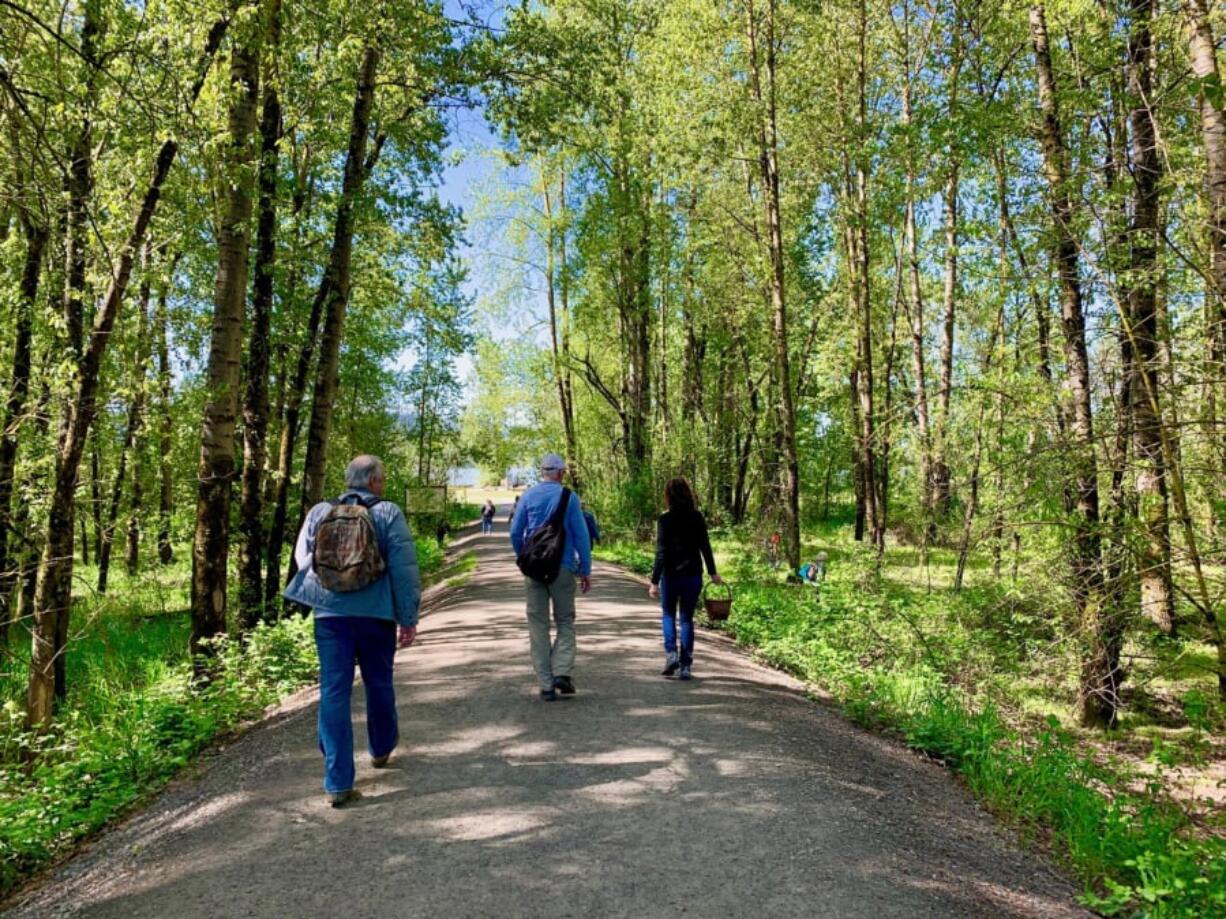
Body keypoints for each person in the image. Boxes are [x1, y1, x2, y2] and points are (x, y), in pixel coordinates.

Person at [283, 455, 421, 807]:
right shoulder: (388, 513)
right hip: (376, 616)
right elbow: (404, 570)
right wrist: (408, 617)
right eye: (383, 478)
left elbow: (304, 559)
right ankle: (381, 747)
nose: (384, 484)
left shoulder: (319, 512)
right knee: (378, 683)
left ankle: (338, 780)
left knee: (333, 692)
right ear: (373, 481)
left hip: (330, 617)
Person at [510, 452, 592, 701]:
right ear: (559, 473)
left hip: (534, 570)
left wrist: (525, 558)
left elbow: (515, 532)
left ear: (542, 472)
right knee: (565, 621)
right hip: (563, 567)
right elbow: (581, 536)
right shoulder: (569, 497)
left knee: (538, 625)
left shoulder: (528, 495)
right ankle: (561, 671)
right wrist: (585, 570)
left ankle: (546, 684)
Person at [649, 477, 721, 681]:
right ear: (688, 493)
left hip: (671, 575)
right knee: (687, 618)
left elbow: (661, 552)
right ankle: (686, 666)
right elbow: (704, 546)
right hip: (692, 575)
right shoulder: (696, 517)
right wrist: (713, 572)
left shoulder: (665, 520)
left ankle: (671, 654)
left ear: (668, 496)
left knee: (668, 614)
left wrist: (654, 581)